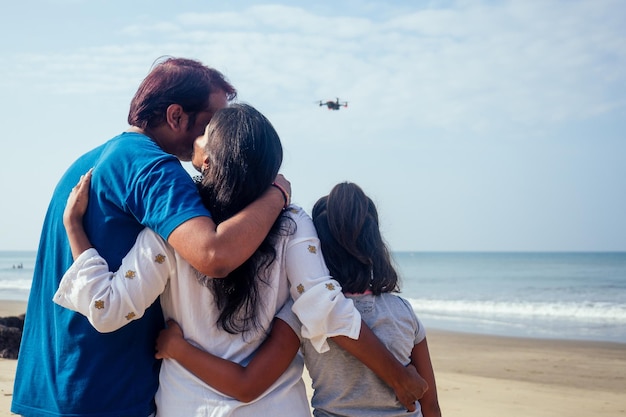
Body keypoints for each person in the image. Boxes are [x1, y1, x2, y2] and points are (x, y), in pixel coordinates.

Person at [55, 104, 428, 416]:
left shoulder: (171, 233)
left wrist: (74, 227)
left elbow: (107, 310)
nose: (193, 141)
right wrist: (398, 375)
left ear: (210, 160)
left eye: (204, 135)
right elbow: (324, 307)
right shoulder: (291, 221)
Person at [12, 58, 290, 417]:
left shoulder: (85, 164)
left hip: (47, 386)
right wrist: (277, 194)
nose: (220, 136)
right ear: (176, 116)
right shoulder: (153, 167)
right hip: (105, 393)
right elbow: (214, 255)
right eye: (210, 123)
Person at [155, 183, 442, 417]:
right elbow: (430, 406)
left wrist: (178, 348)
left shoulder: (303, 313)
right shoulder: (404, 312)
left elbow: (247, 385)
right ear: (376, 243)